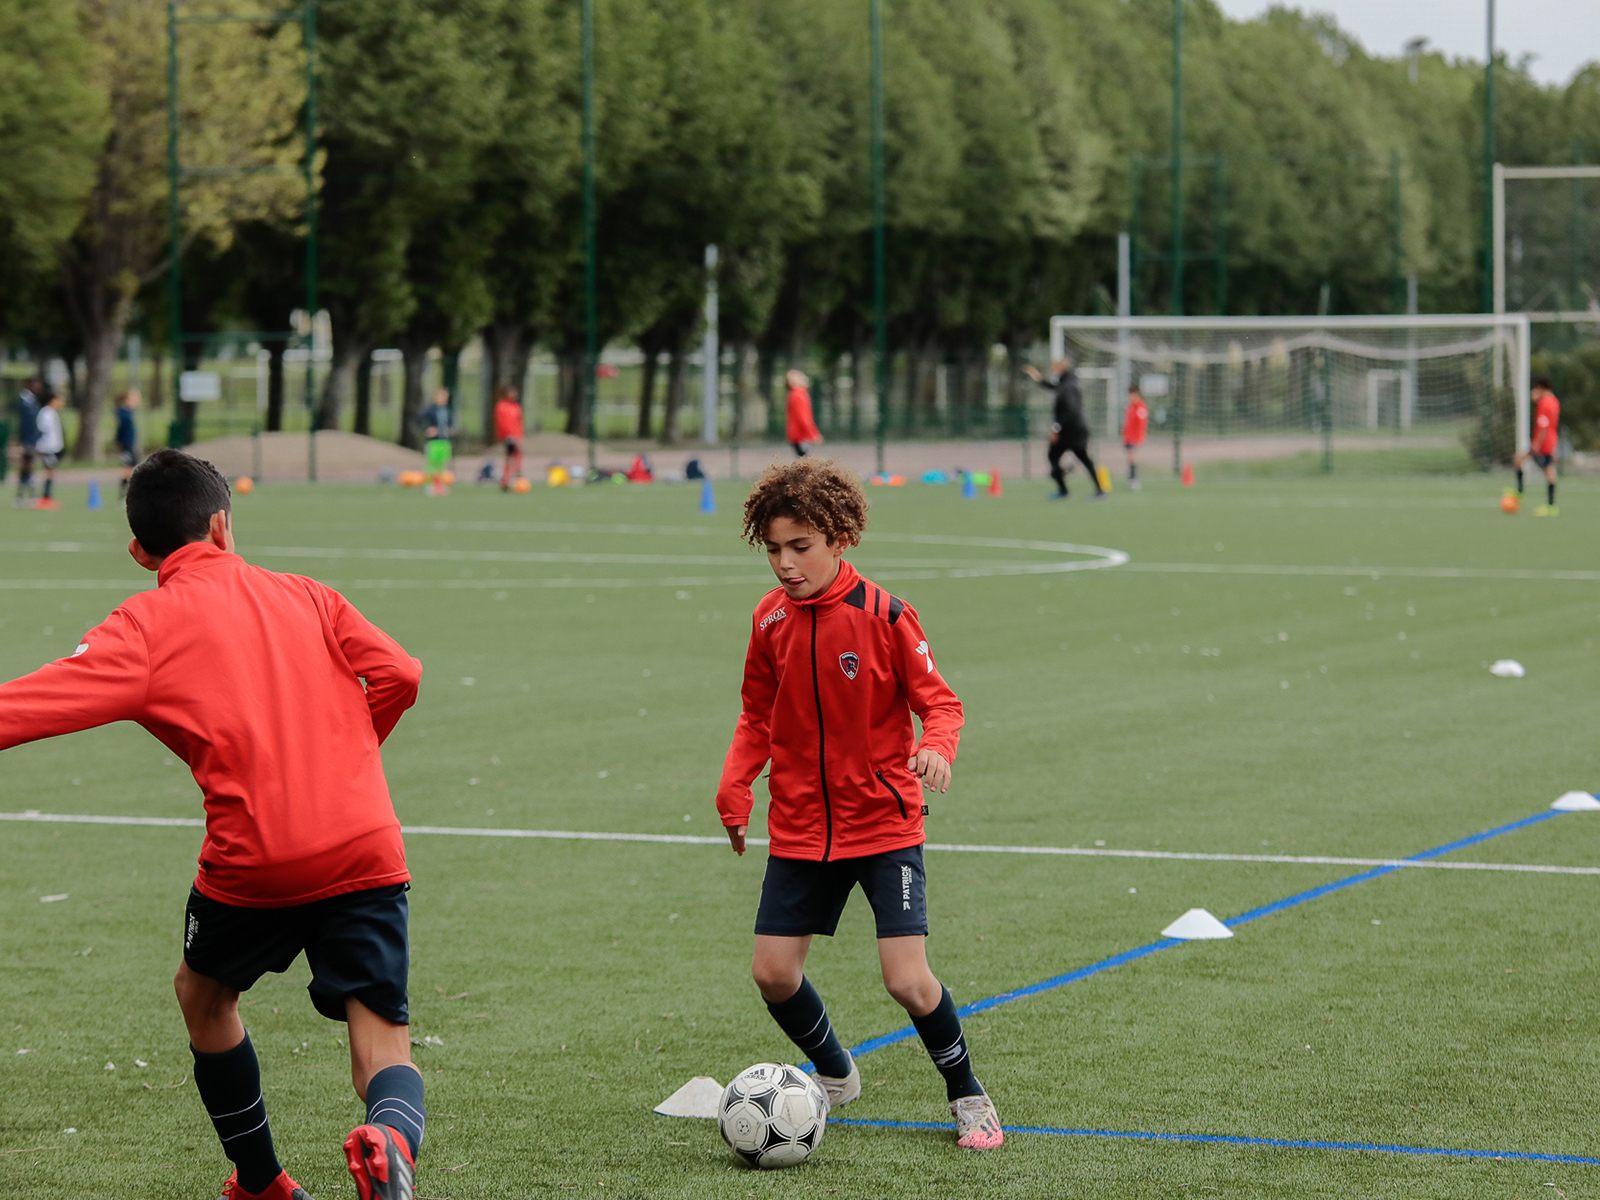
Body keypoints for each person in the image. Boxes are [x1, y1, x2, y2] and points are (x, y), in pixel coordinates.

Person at [0, 449, 427, 1200]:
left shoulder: (144, 626)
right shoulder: (308, 595)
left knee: (204, 996)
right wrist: (351, 752)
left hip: (255, 860)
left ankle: (261, 1181)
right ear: (223, 526)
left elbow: (22, 708)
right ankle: (389, 1140)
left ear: (140, 552)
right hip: (364, 841)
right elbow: (401, 673)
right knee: (380, 1034)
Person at [716, 458, 1004, 1151]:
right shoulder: (769, 619)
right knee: (773, 972)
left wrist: (936, 744)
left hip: (882, 823)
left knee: (906, 981)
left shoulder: (886, 615)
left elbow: (941, 702)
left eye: (800, 547)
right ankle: (836, 1075)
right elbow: (757, 713)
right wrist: (735, 783)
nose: (785, 564)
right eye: (774, 550)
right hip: (801, 826)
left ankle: (969, 1095)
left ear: (839, 538)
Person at [1024, 358, 1104, 501]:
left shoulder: (1069, 386)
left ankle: (1099, 491)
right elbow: (1053, 386)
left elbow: (1071, 410)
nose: (1051, 370)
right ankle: (1063, 489)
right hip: (1068, 431)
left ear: (1061, 369)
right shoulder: (1065, 383)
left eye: (1053, 367)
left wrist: (1056, 428)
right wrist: (1037, 378)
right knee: (1053, 456)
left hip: (1074, 431)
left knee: (1084, 459)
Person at [1512, 376, 1560, 516]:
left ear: (1540, 387)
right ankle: (1523, 493)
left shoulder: (1544, 404)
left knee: (1547, 471)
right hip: (1550, 441)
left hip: (1543, 443)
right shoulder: (1554, 401)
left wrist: (1537, 445)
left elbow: (1544, 427)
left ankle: (1550, 505)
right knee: (1520, 459)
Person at [416, 389, 454, 497]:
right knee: (432, 465)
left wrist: (449, 430)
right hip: (433, 442)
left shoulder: (447, 411)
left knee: (442, 465)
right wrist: (428, 429)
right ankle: (431, 485)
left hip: (444, 442)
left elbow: (452, 425)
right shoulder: (430, 411)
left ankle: (440, 485)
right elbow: (419, 421)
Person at [33, 390, 65, 510]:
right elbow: (43, 430)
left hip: (53, 448)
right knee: (49, 473)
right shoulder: (46, 413)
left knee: (51, 473)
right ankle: (45, 498)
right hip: (48, 448)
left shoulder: (51, 413)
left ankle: (47, 497)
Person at [14, 375, 41, 505]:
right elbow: (24, 423)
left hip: (32, 438)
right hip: (27, 439)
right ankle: (25, 494)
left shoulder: (32, 399)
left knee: (28, 466)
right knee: (27, 465)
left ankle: (23, 495)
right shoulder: (24, 399)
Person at [493, 385, 525, 491]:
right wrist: (509, 436)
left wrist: (520, 436)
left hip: (516, 436)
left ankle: (515, 478)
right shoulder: (501, 406)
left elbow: (519, 423)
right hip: (508, 437)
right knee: (510, 457)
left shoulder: (516, 407)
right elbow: (502, 423)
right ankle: (507, 480)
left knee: (517, 456)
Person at [785, 370, 822, 457]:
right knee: (806, 463)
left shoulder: (797, 394)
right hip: (800, 436)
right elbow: (803, 417)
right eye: (798, 376)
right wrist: (813, 434)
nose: (802, 377)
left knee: (804, 461)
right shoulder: (798, 395)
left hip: (798, 435)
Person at [1121, 383, 1149, 489]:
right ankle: (1132, 478)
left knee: (1132, 457)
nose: (1130, 397)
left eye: (1131, 395)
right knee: (1130, 458)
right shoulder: (1129, 407)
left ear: (1136, 394)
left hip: (1134, 438)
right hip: (1128, 437)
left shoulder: (1141, 407)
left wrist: (1139, 438)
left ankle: (1133, 479)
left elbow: (1142, 424)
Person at [116, 388, 142, 499]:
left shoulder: (130, 412)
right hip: (126, 445)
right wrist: (120, 442)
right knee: (127, 469)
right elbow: (121, 429)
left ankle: (130, 495)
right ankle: (123, 496)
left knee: (132, 468)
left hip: (130, 445)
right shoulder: (123, 412)